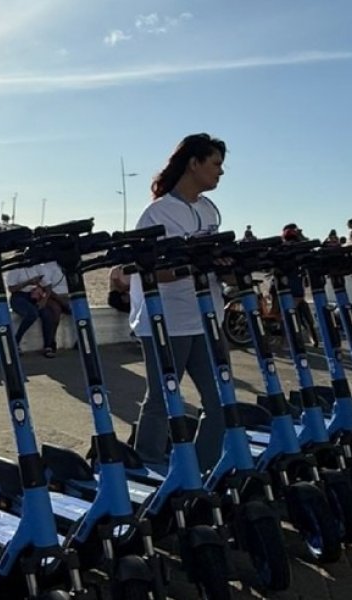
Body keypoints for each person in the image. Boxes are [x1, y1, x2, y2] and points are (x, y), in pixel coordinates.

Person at [127, 132, 227, 470]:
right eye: (215, 164)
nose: (221, 172)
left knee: (219, 401)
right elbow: (148, 272)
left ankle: (202, 468)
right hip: (167, 321)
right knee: (163, 398)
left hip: (207, 318)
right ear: (194, 163)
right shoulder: (158, 214)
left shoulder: (209, 210)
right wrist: (196, 264)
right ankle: (148, 465)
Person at [5, 263, 59, 357]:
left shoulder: (38, 267)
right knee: (32, 314)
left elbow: (48, 286)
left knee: (47, 314)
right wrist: (28, 282)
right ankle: (16, 341)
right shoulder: (15, 269)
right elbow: (11, 289)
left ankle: (48, 345)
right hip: (19, 296)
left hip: (34, 295)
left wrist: (44, 300)